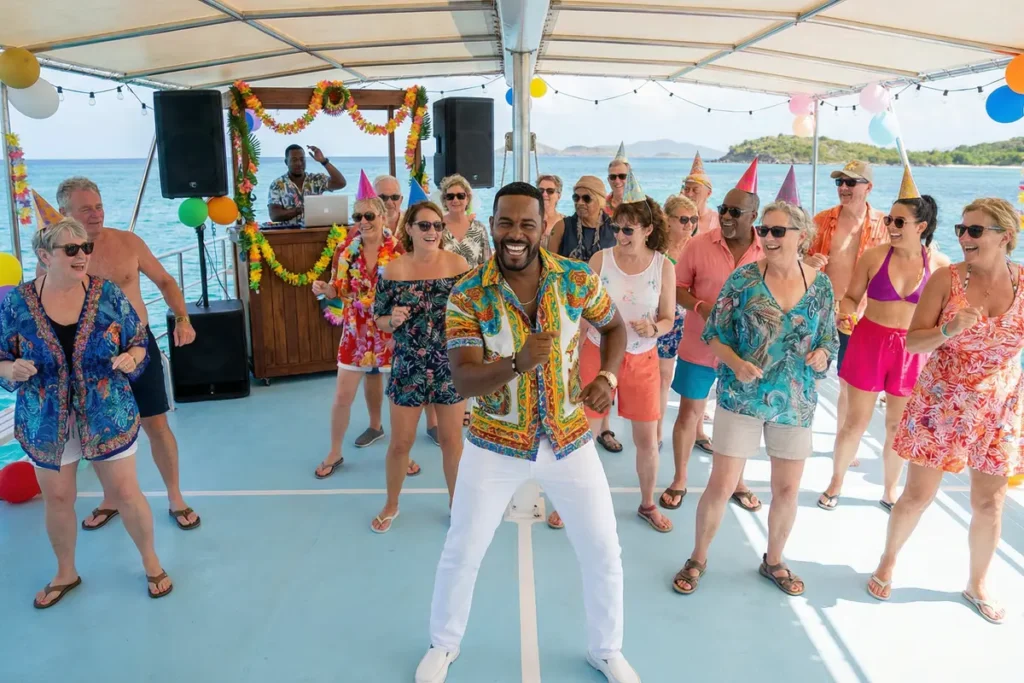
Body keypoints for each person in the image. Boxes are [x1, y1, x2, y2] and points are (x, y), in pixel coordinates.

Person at [416, 182, 638, 683]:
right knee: (463, 548)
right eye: (505, 223)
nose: (515, 234)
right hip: (494, 443)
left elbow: (615, 328)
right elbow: (462, 377)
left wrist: (607, 376)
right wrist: (517, 363)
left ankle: (606, 649)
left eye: (527, 224)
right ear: (491, 224)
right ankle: (443, 644)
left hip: (569, 440)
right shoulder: (467, 293)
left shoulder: (576, 279)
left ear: (543, 226)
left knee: (603, 549)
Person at [867, 198, 1024, 624]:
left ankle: (978, 582)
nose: (963, 238)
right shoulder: (945, 279)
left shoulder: (1023, 283)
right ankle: (888, 560)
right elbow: (913, 343)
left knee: (990, 501)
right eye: (960, 229)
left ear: (1004, 236)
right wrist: (949, 329)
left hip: (999, 407)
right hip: (942, 401)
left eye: (975, 231)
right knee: (918, 494)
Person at [1, 217, 173, 607]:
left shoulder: (107, 294)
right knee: (58, 499)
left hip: (106, 414)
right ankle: (66, 572)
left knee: (126, 493)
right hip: (46, 419)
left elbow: (138, 340)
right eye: (72, 249)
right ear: (44, 256)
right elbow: (0, 357)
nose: (83, 255)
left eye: (86, 248)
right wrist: (10, 369)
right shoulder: (17, 303)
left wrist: (132, 357)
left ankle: (151, 561)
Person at [672, 201, 837, 597]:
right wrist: (736, 362)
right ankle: (697, 557)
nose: (768, 237)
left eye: (778, 231)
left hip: (795, 401)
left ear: (801, 236)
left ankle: (774, 560)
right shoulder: (744, 279)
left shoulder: (821, 285)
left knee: (786, 490)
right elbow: (714, 333)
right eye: (764, 230)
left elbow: (830, 338)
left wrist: (822, 354)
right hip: (741, 396)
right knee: (722, 484)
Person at [46, 177, 200, 533]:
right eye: (86, 209)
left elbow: (165, 281)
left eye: (98, 206)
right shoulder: (57, 259)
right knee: (98, 433)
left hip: (139, 348)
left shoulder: (128, 242)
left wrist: (182, 318)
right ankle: (111, 497)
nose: (96, 214)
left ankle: (175, 496)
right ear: (64, 214)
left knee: (156, 425)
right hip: (92, 360)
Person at [819, 167, 948, 511]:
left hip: (912, 350)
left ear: (920, 227)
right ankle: (836, 482)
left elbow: (946, 315)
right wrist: (846, 312)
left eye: (899, 222)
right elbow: (850, 297)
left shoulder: (939, 266)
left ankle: (890, 489)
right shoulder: (874, 257)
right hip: (869, 341)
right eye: (890, 220)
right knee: (855, 421)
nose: (890, 227)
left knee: (896, 424)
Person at [661, 162, 764, 512]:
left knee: (740, 418)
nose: (726, 216)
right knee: (689, 413)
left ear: (754, 215)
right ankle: (679, 478)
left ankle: (736, 480)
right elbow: (676, 288)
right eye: (723, 209)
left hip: (746, 351)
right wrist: (701, 307)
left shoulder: (767, 251)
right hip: (699, 344)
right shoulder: (697, 245)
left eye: (736, 211)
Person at [369, 201, 470, 532]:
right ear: (409, 229)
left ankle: (458, 504)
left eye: (438, 226)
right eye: (424, 225)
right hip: (408, 364)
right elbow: (378, 319)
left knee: (452, 440)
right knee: (401, 442)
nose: (432, 232)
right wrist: (390, 319)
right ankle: (391, 504)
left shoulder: (458, 265)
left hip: (448, 363)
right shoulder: (392, 270)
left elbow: (474, 312)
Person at [582, 187, 676, 533]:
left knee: (646, 440)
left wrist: (654, 328)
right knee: (585, 433)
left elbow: (668, 318)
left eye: (628, 229)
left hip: (641, 357)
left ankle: (647, 502)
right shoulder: (599, 261)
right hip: (598, 351)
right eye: (616, 228)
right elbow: (581, 313)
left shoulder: (663, 267)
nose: (619, 235)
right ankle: (578, 502)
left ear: (648, 230)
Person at [311, 179, 414, 478]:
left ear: (383, 216)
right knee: (342, 396)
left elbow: (407, 291)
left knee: (399, 397)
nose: (363, 222)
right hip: (355, 333)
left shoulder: (398, 251)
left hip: (391, 333)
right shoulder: (345, 250)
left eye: (369, 216)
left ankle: (402, 453)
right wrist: (325, 289)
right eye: (358, 217)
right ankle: (334, 451)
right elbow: (339, 291)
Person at [807, 160, 888, 460]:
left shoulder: (885, 225)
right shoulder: (821, 220)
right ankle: (801, 433)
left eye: (851, 182)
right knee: (809, 374)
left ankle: (843, 443)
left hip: (861, 316)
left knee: (847, 382)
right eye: (839, 182)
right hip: (820, 310)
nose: (843, 187)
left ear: (868, 187)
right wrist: (807, 263)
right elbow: (797, 257)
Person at [547, 175, 620, 453]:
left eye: (586, 197)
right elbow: (547, 267)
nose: (579, 202)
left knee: (603, 367)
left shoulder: (615, 229)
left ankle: (604, 427)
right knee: (567, 366)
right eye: (576, 197)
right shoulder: (561, 228)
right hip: (568, 310)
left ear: (601, 201)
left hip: (604, 309)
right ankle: (565, 419)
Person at [658, 194, 707, 451]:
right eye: (684, 219)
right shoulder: (656, 249)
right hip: (666, 318)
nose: (689, 225)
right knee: (663, 377)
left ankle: (698, 430)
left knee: (698, 378)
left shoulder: (699, 247)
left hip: (693, 320)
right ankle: (656, 431)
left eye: (694, 220)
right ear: (668, 220)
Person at [267, 143, 346, 226]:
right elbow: (274, 215)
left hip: (315, 232)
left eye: (302, 159)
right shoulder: (277, 184)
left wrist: (323, 161)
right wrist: (300, 210)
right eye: (294, 160)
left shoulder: (316, 180)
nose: (299, 163)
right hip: (289, 235)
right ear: (286, 162)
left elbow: (341, 183)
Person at [439, 174, 491, 267]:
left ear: (467, 199)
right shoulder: (436, 228)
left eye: (460, 196)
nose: (455, 200)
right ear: (445, 200)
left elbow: (486, 264)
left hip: (474, 281)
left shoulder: (479, 229)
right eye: (450, 196)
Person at [680, 152, 720, 235]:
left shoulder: (718, 220)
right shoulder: (679, 219)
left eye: (695, 190)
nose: (689, 194)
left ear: (708, 193)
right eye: (686, 189)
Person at [537, 173, 565, 249]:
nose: (544, 194)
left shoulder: (565, 222)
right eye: (541, 190)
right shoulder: (530, 220)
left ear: (558, 196)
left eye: (550, 191)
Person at [605, 142, 630, 217]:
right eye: (613, 177)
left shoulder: (642, 205)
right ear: (608, 180)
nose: (617, 181)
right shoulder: (600, 205)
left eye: (622, 176)